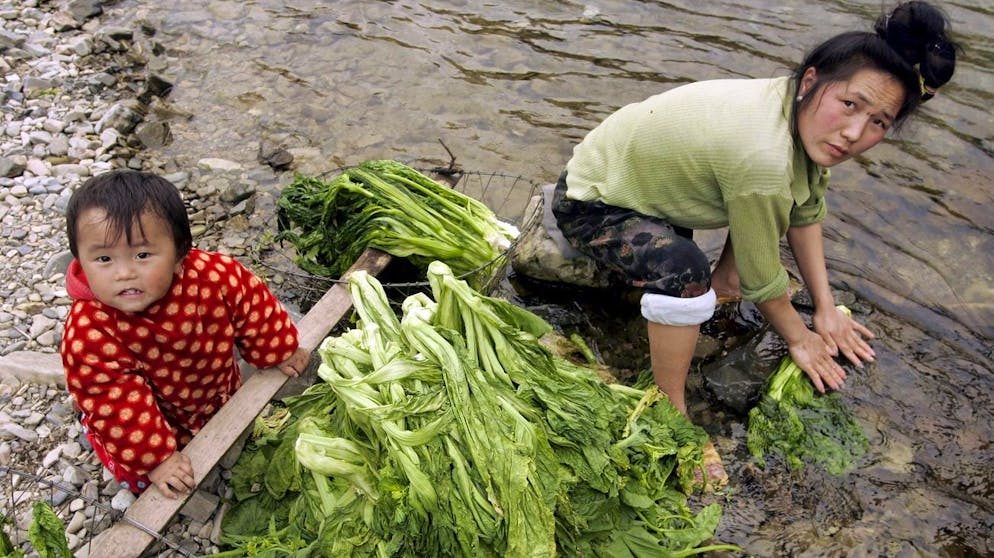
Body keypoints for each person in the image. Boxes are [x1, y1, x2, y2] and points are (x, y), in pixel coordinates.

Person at [552, 1, 958, 486]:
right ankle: (671, 410)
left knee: (757, 225)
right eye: (850, 105)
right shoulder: (763, 153)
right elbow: (767, 278)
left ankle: (723, 287)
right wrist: (799, 338)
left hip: (661, 195)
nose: (854, 133)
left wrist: (826, 309)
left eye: (879, 123)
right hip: (595, 201)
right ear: (810, 82)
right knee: (685, 273)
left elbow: (803, 210)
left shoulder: (798, 115)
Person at [60, 170, 311, 498]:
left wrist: (280, 347)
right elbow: (115, 401)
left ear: (180, 254)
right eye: (104, 259)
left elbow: (251, 304)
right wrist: (156, 459)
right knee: (147, 478)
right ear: (81, 260)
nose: (124, 273)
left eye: (142, 255)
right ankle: (149, 462)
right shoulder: (89, 332)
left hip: (211, 386)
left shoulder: (209, 276)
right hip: (144, 418)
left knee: (227, 429)